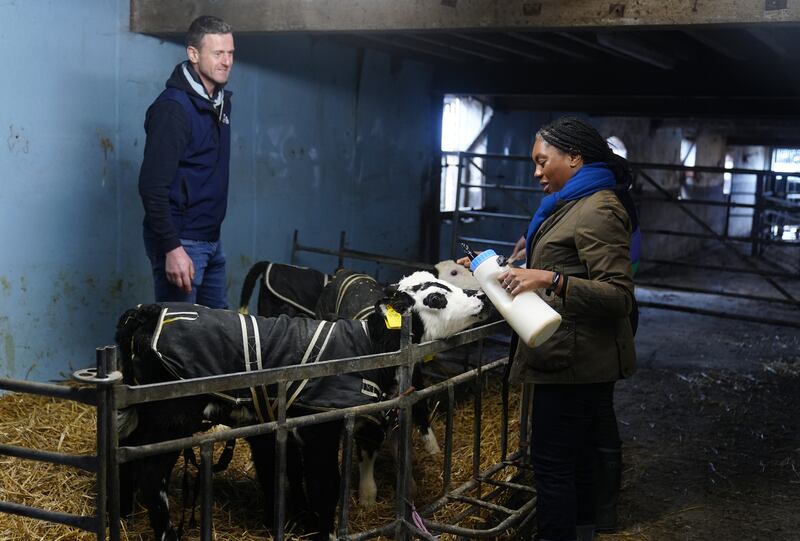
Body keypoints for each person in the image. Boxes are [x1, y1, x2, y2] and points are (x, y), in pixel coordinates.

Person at [460, 117, 637, 541]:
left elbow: (618, 295)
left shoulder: (598, 208)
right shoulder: (569, 204)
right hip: (568, 353)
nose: (536, 173)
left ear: (574, 158)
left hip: (576, 359)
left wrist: (549, 280)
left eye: (542, 162)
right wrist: (496, 272)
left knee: (553, 463)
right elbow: (559, 267)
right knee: (574, 460)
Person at [138, 15, 235, 308]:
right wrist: (172, 247)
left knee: (221, 339)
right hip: (182, 242)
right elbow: (152, 186)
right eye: (218, 53)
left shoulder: (219, 102)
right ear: (193, 54)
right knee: (180, 344)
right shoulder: (173, 109)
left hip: (210, 240)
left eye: (231, 53)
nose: (227, 61)